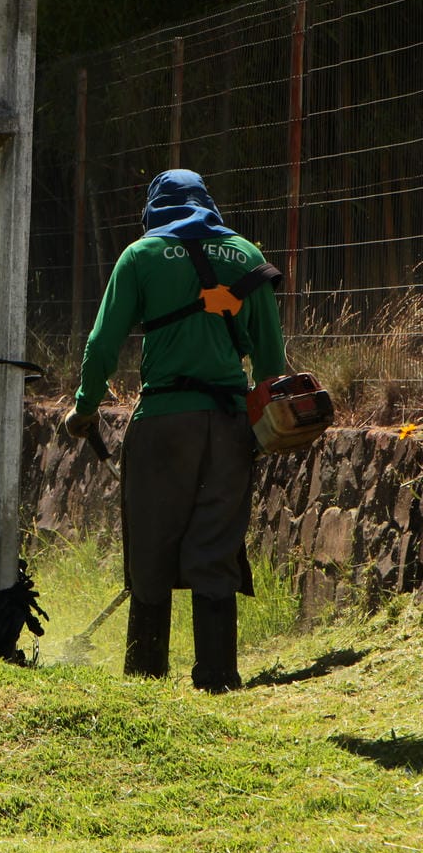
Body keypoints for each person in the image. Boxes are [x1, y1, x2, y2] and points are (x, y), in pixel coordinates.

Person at [64, 168, 286, 692]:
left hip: (163, 422)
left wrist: (84, 409)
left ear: (155, 207)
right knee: (216, 540)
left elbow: (101, 346)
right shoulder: (248, 257)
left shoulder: (140, 256)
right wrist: (267, 426)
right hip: (231, 425)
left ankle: (145, 673)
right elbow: (272, 361)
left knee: (151, 543)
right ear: (207, 202)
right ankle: (217, 675)